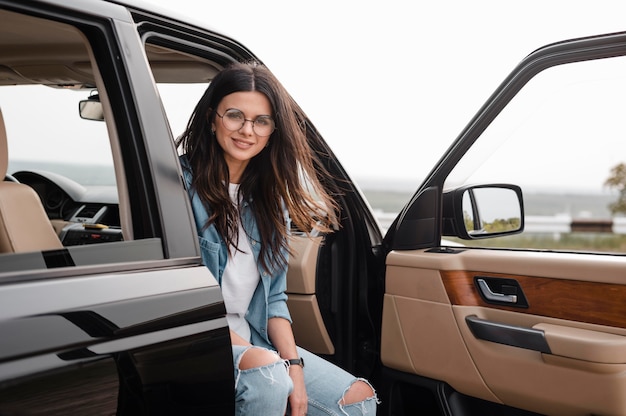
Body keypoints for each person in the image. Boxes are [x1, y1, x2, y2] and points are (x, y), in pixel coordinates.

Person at [177, 61, 379, 415]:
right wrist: (271, 364)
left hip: (254, 341)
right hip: (198, 339)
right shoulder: (178, 187)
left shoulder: (269, 201)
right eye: (235, 115)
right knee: (268, 375)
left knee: (357, 399)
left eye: (261, 121)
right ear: (213, 118)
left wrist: (294, 369)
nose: (247, 130)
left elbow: (274, 301)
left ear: (273, 130)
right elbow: (182, 301)